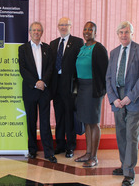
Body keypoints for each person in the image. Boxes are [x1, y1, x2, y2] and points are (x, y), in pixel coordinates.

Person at [106, 21, 139, 186]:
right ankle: (124, 164)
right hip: (118, 99)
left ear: (132, 33)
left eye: (126, 32)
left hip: (134, 98)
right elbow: (109, 78)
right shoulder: (113, 53)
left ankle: (129, 173)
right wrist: (114, 99)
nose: (124, 35)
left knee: (131, 136)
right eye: (121, 32)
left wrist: (130, 96)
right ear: (117, 34)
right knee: (120, 134)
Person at [18, 22, 57, 163]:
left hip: (44, 90)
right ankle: (32, 150)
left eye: (39, 30)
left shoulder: (48, 48)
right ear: (30, 32)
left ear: (42, 32)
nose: (36, 32)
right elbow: (22, 69)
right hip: (30, 90)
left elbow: (50, 68)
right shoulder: (23, 49)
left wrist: (43, 82)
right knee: (31, 121)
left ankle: (49, 152)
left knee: (45, 122)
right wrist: (35, 83)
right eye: (34, 30)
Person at [74, 21, 108, 167]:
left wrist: (102, 91)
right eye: (85, 29)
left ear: (95, 32)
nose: (87, 31)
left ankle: (94, 157)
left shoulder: (99, 48)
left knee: (93, 122)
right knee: (86, 121)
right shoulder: (82, 48)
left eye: (90, 29)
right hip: (82, 88)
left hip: (93, 89)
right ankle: (88, 153)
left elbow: (105, 72)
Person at [50, 17, 84, 158]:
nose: (63, 27)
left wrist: (78, 87)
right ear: (58, 26)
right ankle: (60, 145)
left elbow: (80, 64)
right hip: (56, 85)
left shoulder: (77, 42)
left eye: (66, 25)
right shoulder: (53, 44)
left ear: (71, 26)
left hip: (70, 86)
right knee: (59, 116)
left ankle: (70, 146)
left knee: (70, 116)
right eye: (61, 25)